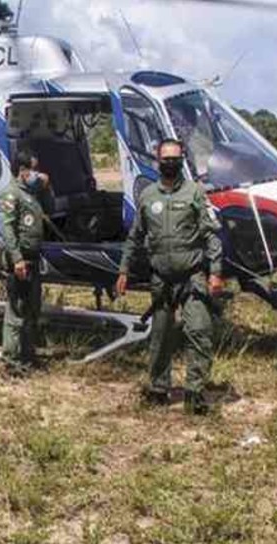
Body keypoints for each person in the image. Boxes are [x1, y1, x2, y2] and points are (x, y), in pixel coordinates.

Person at [115, 138, 224, 415]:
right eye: (166, 159)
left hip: (192, 277)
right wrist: (124, 270)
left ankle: (195, 393)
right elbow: (135, 237)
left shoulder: (195, 193)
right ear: (157, 160)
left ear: (182, 159)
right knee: (160, 337)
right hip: (161, 280)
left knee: (199, 331)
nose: (170, 164)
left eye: (175, 159)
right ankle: (158, 389)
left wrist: (216, 272)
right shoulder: (148, 196)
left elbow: (210, 234)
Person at [0, 149, 53, 374]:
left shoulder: (31, 192)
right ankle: (11, 361)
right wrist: (17, 259)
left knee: (32, 310)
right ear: (22, 171)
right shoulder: (11, 195)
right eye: (34, 169)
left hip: (33, 259)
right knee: (17, 312)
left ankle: (27, 356)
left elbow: (50, 207)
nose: (36, 173)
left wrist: (47, 186)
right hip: (20, 262)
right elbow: (8, 229)